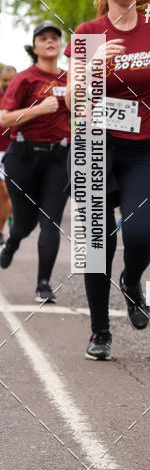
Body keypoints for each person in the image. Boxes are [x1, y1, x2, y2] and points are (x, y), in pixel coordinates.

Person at [65, 0, 150, 361]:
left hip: (144, 146)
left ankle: (132, 282)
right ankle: (99, 330)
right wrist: (94, 66)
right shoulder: (87, 33)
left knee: (140, 234)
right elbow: (71, 100)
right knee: (97, 242)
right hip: (93, 144)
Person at [0, 25, 70, 303]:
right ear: (35, 47)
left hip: (58, 159)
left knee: (50, 221)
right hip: (23, 157)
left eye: (54, 37)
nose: (49, 41)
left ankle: (43, 284)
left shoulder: (70, 78)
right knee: (25, 224)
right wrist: (38, 110)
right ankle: (13, 240)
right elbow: (4, 119)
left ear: (60, 45)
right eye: (43, 38)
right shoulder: (25, 79)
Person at [0, 65, 17, 243]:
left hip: (13, 149)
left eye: (10, 80)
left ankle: (12, 215)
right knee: (3, 191)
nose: (7, 83)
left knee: (8, 191)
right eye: (5, 80)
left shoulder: (20, 96)